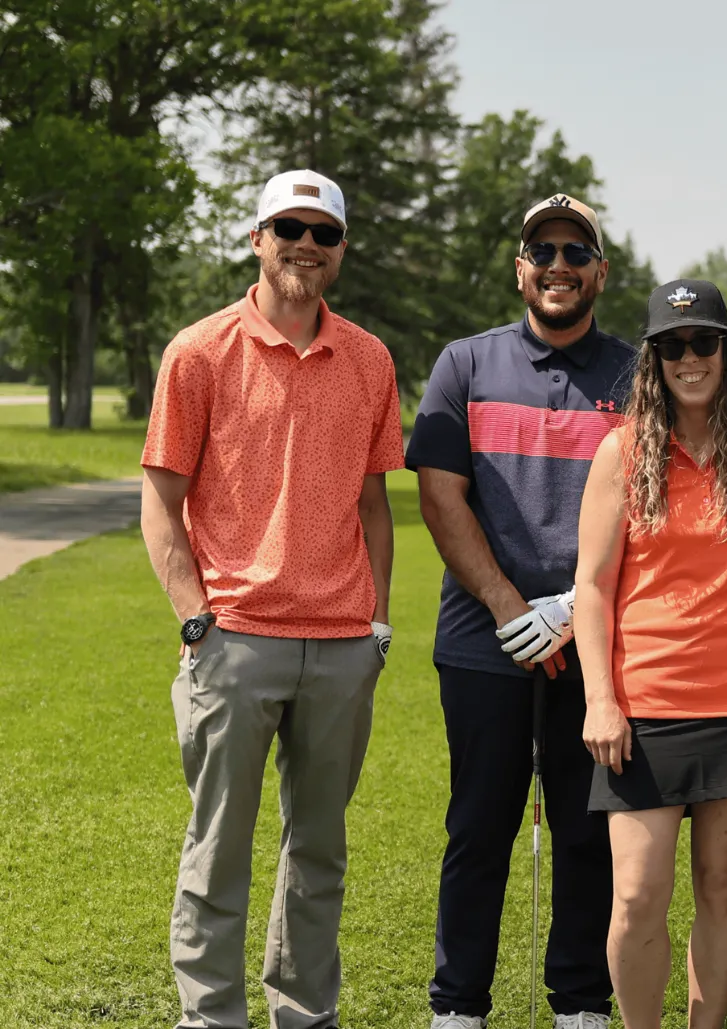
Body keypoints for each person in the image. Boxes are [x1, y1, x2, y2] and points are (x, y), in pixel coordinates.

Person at [140, 169, 401, 1029]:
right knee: (218, 849)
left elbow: (374, 503)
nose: (305, 245)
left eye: (324, 233)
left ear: (341, 251)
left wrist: (377, 622)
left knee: (319, 852)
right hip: (235, 637)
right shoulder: (198, 351)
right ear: (257, 238)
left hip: (342, 643)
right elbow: (161, 502)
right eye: (289, 227)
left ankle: (305, 1013)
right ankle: (212, 1016)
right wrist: (195, 618)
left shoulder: (370, 358)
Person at [406, 194, 634, 1029]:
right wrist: (510, 607)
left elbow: (651, 502)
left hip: (597, 636)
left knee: (587, 828)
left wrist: (573, 607)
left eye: (576, 253)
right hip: (483, 639)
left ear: (600, 272)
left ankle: (580, 1002)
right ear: (520, 270)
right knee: (478, 826)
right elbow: (441, 497)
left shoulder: (637, 373)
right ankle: (457, 1005)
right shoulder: (465, 363)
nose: (559, 266)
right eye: (543, 252)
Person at [572, 279, 727, 1029]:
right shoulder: (621, 451)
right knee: (637, 894)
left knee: (723, 889)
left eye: (704, 342)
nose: (689, 358)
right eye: (672, 347)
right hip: (644, 708)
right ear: (654, 360)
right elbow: (592, 586)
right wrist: (600, 700)